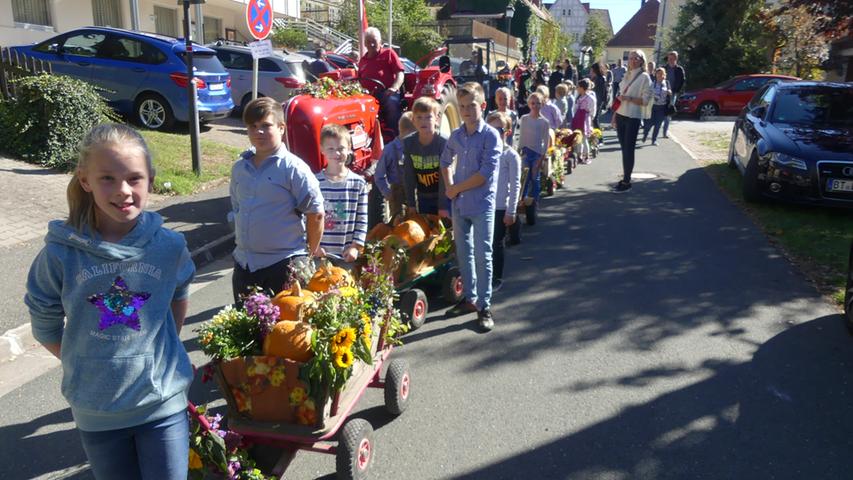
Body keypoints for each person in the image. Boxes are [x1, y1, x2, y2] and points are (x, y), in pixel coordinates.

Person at [25, 123, 196, 479]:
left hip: (162, 404)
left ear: (150, 179)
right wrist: (86, 358)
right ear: (84, 180)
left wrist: (158, 347)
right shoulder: (60, 254)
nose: (123, 191)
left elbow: (179, 292)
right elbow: (44, 320)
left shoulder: (169, 246)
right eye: (107, 178)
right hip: (96, 411)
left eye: (134, 178)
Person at [231, 97, 325, 301]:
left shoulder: (293, 168)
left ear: (282, 128)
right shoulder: (240, 168)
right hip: (244, 265)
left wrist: (309, 254)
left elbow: (315, 213)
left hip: (283, 265)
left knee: (282, 331)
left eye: (266, 125)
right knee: (244, 332)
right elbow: (237, 208)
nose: (258, 132)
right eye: (253, 126)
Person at [440, 82, 501, 332]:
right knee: (463, 252)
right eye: (462, 106)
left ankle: (484, 306)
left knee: (482, 254)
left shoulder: (490, 136)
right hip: (459, 204)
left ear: (483, 106)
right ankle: (469, 298)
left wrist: (456, 188)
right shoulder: (456, 135)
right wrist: (449, 185)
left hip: (481, 205)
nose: (466, 111)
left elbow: (484, 174)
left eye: (471, 106)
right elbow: (445, 161)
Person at [316, 124, 369, 262]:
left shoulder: (358, 184)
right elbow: (306, 218)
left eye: (341, 148)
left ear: (349, 148)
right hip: (320, 253)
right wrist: (313, 244)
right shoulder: (314, 183)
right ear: (322, 150)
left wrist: (355, 247)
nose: (337, 154)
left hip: (346, 254)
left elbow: (362, 219)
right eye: (331, 149)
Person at [486, 111, 521, 294]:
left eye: (498, 129)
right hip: (484, 205)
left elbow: (515, 185)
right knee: (484, 244)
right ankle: (484, 276)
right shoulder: (484, 153)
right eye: (489, 129)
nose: (493, 133)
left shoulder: (510, 155)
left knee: (496, 243)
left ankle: (496, 277)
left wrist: (511, 210)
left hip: (500, 206)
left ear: (506, 132)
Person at [612, 50, 653, 193]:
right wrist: (614, 115)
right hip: (621, 114)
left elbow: (645, 101)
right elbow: (620, 97)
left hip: (633, 117)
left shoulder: (645, 77)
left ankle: (626, 181)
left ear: (642, 60)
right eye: (630, 58)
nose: (633, 60)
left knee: (629, 150)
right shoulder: (626, 75)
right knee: (624, 149)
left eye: (636, 58)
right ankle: (625, 177)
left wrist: (629, 99)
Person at [402, 97, 448, 216]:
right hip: (423, 197)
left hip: (443, 196)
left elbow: (445, 176)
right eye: (419, 117)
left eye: (428, 117)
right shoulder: (409, 143)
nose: (424, 121)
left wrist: (443, 206)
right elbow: (409, 175)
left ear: (437, 119)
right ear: (413, 120)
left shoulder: (443, 142)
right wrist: (411, 204)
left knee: (444, 231)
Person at [358, 27, 405, 137]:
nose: (372, 44)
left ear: (380, 42)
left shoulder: (388, 53)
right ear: (365, 43)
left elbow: (400, 73)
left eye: (374, 41)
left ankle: (395, 137)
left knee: (392, 104)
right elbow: (359, 80)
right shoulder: (362, 61)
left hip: (386, 92)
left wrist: (394, 87)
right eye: (368, 41)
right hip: (368, 95)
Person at [374, 112, 415, 221]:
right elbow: (379, 175)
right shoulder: (389, 150)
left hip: (415, 192)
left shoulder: (415, 147)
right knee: (398, 223)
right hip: (397, 195)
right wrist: (387, 193)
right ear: (407, 133)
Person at [518, 92, 551, 205]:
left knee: (535, 177)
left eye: (538, 103)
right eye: (532, 103)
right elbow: (521, 137)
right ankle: (523, 199)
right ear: (528, 104)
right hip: (526, 152)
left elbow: (545, 142)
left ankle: (535, 201)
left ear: (542, 104)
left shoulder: (544, 122)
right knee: (525, 178)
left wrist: (541, 158)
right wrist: (519, 151)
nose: (535, 106)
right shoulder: (524, 119)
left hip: (537, 153)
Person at [642, 67, 672, 145]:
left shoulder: (667, 83)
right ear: (656, 75)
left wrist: (669, 92)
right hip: (652, 107)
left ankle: (654, 140)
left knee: (658, 125)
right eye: (658, 74)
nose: (660, 75)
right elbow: (648, 93)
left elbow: (670, 92)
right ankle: (645, 134)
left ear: (664, 75)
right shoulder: (652, 83)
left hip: (662, 107)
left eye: (662, 74)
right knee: (649, 124)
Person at [662, 50, 686, 139]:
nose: (670, 60)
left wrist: (676, 91)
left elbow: (682, 80)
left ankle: (665, 132)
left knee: (669, 112)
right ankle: (654, 129)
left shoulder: (679, 69)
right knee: (660, 111)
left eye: (672, 58)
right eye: (669, 58)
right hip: (662, 92)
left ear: (676, 59)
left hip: (673, 93)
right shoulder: (664, 68)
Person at [572, 78, 596, 164]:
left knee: (584, 138)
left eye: (578, 87)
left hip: (585, 119)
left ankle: (586, 156)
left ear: (582, 88)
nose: (577, 88)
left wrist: (590, 117)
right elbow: (575, 108)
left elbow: (592, 110)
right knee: (578, 136)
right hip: (578, 118)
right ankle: (579, 155)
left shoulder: (590, 98)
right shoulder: (579, 97)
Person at [590, 63, 608, 132]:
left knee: (595, 119)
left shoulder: (600, 79)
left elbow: (601, 92)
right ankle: (595, 137)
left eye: (591, 70)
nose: (590, 72)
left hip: (598, 101)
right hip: (596, 100)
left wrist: (601, 103)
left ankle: (599, 137)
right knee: (594, 119)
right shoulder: (596, 78)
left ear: (595, 70)